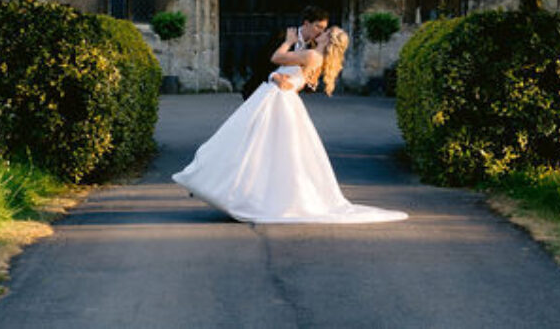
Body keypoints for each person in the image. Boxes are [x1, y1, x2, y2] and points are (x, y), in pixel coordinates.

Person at [173, 16, 408, 225]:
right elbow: (296, 80)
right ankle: (252, 193)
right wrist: (279, 78)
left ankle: (243, 192)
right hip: (283, 99)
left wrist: (287, 41)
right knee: (271, 151)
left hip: (277, 100)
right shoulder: (319, 58)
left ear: (328, 38)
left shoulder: (311, 54)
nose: (320, 32)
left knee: (252, 145)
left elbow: (276, 57)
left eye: (325, 32)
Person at [241, 5, 330, 98]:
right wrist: (274, 76)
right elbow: (259, 61)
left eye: (324, 28)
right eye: (318, 27)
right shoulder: (282, 35)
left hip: (286, 95)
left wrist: (312, 83)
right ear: (306, 23)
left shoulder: (313, 49)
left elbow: (307, 87)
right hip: (260, 90)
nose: (321, 32)